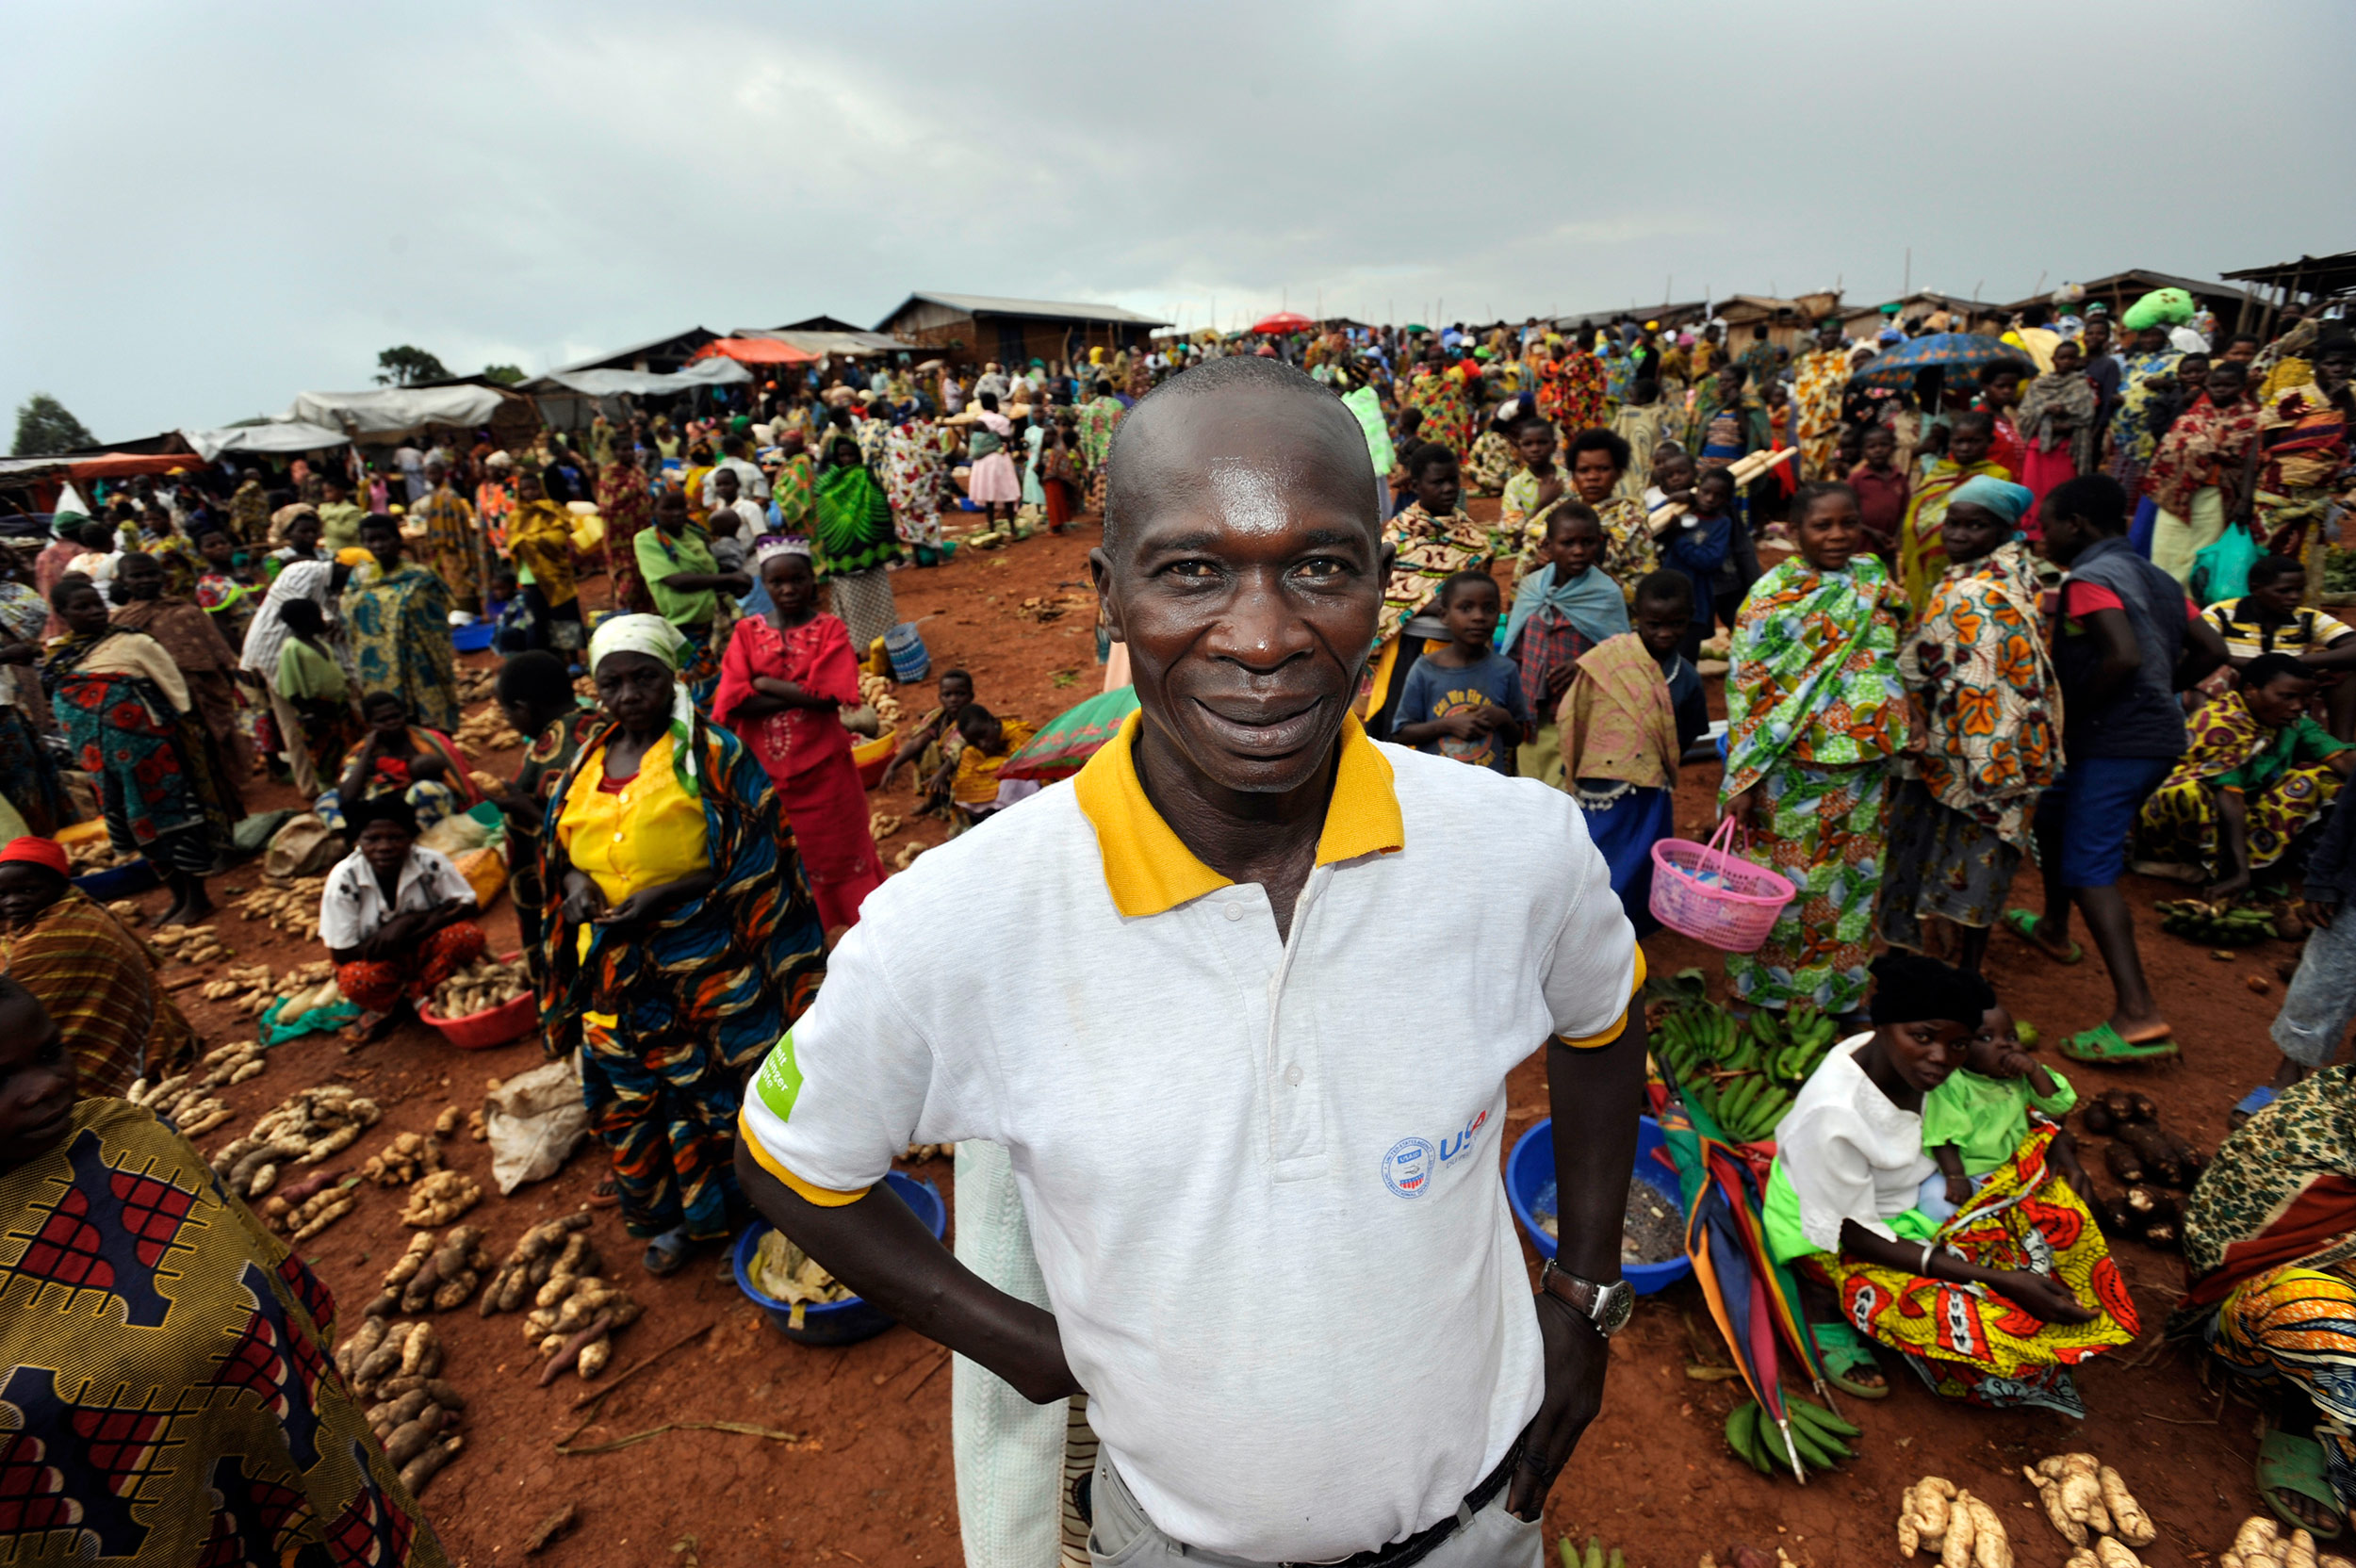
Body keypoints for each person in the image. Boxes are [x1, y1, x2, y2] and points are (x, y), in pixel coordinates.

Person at [735, 353, 1645, 1568]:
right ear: (1110, 596)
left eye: (1318, 565)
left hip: (1481, 1525)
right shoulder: (962, 921)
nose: (1262, 638)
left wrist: (1582, 1294)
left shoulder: (1515, 847)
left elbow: (1602, 1022)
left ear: (1383, 582)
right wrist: (1025, 1344)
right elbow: (791, 1157)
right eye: (1192, 571)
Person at [0, 980, 453, 1565]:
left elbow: (280, 1292)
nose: (44, 1087)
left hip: (291, 1489)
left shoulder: (131, 1140)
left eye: (48, 1054)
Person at [538, 613, 826, 1274]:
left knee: (721, 1091)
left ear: (674, 677)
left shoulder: (713, 754)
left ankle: (753, 1218)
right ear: (595, 688)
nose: (628, 693)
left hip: (708, 962)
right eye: (613, 681)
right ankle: (673, 1219)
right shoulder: (588, 758)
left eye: (645, 676)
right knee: (638, 1096)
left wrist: (668, 894)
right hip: (612, 966)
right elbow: (564, 848)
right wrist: (579, 884)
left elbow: (757, 854)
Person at [1763, 955, 2133, 1411]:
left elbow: (2010, 1101)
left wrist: (2062, 1150)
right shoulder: (1835, 1115)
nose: (1941, 1059)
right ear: (1882, 1024)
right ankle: (1822, 1304)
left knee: (2062, 1217)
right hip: (1843, 1226)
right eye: (1923, 1037)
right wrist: (1997, 1279)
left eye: (1960, 1045)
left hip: (1923, 1197)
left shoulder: (1912, 1062)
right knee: (1979, 1329)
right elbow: (1852, 1232)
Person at [2009, 474, 2228, 1063]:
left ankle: (2138, 1014)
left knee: (2091, 868)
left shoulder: (2088, 579)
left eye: (2046, 524)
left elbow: (2122, 657)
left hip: (2116, 741)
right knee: (2054, 818)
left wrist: (2069, 712)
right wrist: (2162, 691)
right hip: (2147, 735)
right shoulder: (2157, 578)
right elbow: (2212, 651)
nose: (2042, 535)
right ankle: (2054, 929)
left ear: (2076, 525)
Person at [1721, 482, 1908, 1019]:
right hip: (1792, 773)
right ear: (1795, 531)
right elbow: (1749, 688)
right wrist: (1743, 779)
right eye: (1821, 526)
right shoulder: (1773, 595)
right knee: (1780, 888)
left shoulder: (1872, 580)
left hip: (1863, 773)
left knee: (1850, 887)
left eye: (1847, 523)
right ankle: (1760, 995)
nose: (1836, 535)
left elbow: (1897, 633)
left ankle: (1837, 997)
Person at [1880, 477, 2059, 977]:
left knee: (1970, 856)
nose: (1956, 534)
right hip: (1966, 743)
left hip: (1984, 746)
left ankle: (1958, 970)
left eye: (1974, 525)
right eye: (1952, 523)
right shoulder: (1991, 577)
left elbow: (1967, 665)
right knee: (1942, 850)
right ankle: (1924, 960)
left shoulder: (1985, 588)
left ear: (2006, 530)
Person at [2170, 1069, 2356, 1533]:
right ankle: (2298, 1418)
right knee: (2316, 1312)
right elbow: (2215, 1248)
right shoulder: (2314, 1120)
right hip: (2246, 1309)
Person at [712, 538, 887, 929]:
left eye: (797, 580)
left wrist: (764, 683)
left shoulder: (830, 629)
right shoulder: (746, 632)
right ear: (765, 584)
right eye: (777, 582)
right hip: (765, 776)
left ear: (813, 581)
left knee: (840, 854)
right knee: (782, 854)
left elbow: (830, 697)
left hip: (825, 772)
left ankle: (860, 938)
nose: (788, 589)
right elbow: (733, 702)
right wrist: (799, 693)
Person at [44, 579, 236, 926]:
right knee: (140, 830)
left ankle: (198, 898)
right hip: (102, 766)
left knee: (173, 823)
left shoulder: (134, 642)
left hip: (151, 756)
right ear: (62, 614)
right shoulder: (60, 654)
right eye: (82, 607)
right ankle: (177, 897)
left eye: (96, 604)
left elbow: (178, 695)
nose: (94, 612)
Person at [1558, 572, 1709, 932]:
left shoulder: (1685, 677)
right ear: (1636, 616)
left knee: (1640, 859)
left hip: (1648, 791)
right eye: (1654, 623)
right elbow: (1575, 712)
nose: (1665, 632)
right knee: (1597, 854)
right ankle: (1587, 927)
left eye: (1676, 624)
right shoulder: (1607, 660)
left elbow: (1687, 732)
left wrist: (1654, 759)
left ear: (1690, 618)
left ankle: (1628, 929)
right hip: (1597, 786)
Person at [2135, 653, 2353, 897]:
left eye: (2304, 699)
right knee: (2187, 793)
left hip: (2242, 818)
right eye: (2287, 697)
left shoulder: (2292, 722)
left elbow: (2341, 758)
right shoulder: (2221, 723)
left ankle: (2253, 865)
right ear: (2251, 690)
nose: (2297, 707)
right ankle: (2222, 868)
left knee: (2320, 776)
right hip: (2189, 819)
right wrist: (2239, 872)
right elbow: (2229, 795)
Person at [0, 834, 194, 1094]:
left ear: (60, 886)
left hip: (120, 1046)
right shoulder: (74, 907)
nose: (13, 901)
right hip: (146, 1027)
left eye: (28, 890)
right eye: (3, 894)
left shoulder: (53, 936)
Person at [319, 794, 486, 1037]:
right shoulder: (344, 880)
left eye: (396, 837)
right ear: (358, 841)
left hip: (425, 948)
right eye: (373, 839)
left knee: (467, 936)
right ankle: (401, 1002)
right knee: (356, 979)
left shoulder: (430, 862)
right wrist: (412, 930)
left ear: (411, 838)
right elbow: (343, 953)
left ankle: (422, 993)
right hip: (381, 961)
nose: (385, 847)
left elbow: (468, 905)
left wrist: (410, 922)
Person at [1367, 445, 1492, 739]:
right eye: (1438, 482)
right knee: (1400, 731)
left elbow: (1482, 596)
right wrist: (1432, 606)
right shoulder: (1398, 536)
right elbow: (1383, 594)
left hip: (1460, 650)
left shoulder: (1472, 538)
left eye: (1453, 481)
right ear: (1415, 486)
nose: (1448, 489)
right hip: (1407, 651)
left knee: (1455, 731)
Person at [484, 650, 590, 993]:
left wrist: (523, 808)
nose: (509, 722)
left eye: (507, 712)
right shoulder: (593, 721)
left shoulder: (556, 753)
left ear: (524, 708)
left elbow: (577, 825)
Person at [1921, 1002, 2088, 1215]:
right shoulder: (1953, 1082)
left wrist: (2034, 1070)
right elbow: (1944, 1135)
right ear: (1959, 1048)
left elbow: (2057, 1105)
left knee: (2049, 1209)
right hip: (1965, 1171)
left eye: (2011, 1037)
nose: (2005, 1046)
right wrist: (1955, 1176)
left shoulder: (2021, 1079)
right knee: (1935, 1200)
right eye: (1986, 1038)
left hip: (2013, 1173)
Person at [1504, 504, 1628, 782]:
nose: (1578, 551)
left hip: (1581, 714)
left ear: (1600, 543)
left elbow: (1623, 655)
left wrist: (1584, 665)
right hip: (1532, 713)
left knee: (1567, 788)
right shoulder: (1532, 587)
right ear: (1548, 545)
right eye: (1568, 543)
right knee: (1530, 785)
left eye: (1587, 543)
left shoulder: (1606, 593)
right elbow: (1514, 647)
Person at [109, 549, 254, 787]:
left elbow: (220, 657)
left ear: (162, 576)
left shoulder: (186, 611)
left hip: (203, 699)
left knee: (213, 752)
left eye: (151, 574)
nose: (146, 580)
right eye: (137, 576)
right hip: (156, 703)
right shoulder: (121, 623)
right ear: (123, 582)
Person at [1391, 571, 1532, 775]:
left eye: (1489, 609)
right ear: (1444, 615)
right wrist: (1448, 725)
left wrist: (1503, 717)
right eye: (1466, 608)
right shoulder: (1425, 669)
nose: (1478, 617)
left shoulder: (1506, 670)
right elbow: (1401, 734)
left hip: (1489, 790)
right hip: (1439, 785)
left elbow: (1516, 738)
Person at [2205, 554, 2356, 738]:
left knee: (2344, 673)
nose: (2295, 597)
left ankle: (2342, 744)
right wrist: (2264, 667)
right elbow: (2199, 649)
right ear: (2256, 589)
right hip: (2240, 691)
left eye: (2300, 590)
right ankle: (2203, 732)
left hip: (2290, 694)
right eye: (2284, 591)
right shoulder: (2222, 613)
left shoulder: (2307, 618)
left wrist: (2295, 662)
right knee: (2213, 669)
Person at [2147, 357, 2266, 585]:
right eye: (2215, 385)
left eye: (2228, 385)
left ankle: (2194, 605)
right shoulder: (2193, 415)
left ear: (2242, 387)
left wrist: (2204, 447)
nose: (2220, 390)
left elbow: (2251, 458)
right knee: (2165, 548)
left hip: (2215, 494)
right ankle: (2163, 595)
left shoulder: (2252, 417)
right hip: (2178, 494)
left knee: (2201, 552)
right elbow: (2169, 448)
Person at [239, 557, 351, 794]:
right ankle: (310, 787)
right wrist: (326, 621)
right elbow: (292, 600)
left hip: (311, 658)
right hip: (273, 653)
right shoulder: (304, 570)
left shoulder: (336, 593)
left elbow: (337, 640)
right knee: (296, 724)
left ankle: (331, 781)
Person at [342, 514, 459, 733]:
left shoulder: (421, 577)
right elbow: (349, 618)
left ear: (397, 539)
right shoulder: (358, 579)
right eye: (370, 540)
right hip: (377, 670)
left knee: (427, 729)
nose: (377, 546)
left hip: (418, 666)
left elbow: (437, 628)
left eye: (383, 539)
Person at [635, 489, 748, 708]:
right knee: (698, 687)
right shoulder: (647, 540)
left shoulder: (693, 533)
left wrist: (731, 582)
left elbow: (713, 569)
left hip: (717, 620)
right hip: (685, 626)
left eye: (681, 507)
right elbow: (678, 581)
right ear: (653, 510)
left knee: (731, 680)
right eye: (668, 508)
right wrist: (727, 578)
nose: (677, 513)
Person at [318, 691, 483, 835]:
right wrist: (368, 751)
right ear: (370, 725)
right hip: (374, 812)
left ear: (404, 715)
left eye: (396, 716)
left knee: (427, 789)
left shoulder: (427, 741)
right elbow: (347, 795)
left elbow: (455, 779)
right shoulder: (362, 751)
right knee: (327, 799)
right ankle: (355, 842)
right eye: (382, 720)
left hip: (414, 810)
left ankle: (429, 841)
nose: (392, 723)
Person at [1896, 411, 2011, 612]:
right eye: (1959, 441)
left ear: (1990, 442)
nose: (1965, 448)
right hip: (1923, 560)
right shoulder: (1937, 472)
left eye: (1974, 441)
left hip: (1970, 560)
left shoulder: (1998, 477)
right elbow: (1914, 513)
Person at [813, 436, 904, 660]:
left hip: (869, 552)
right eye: (842, 456)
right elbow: (824, 520)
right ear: (835, 458)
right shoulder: (827, 484)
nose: (847, 460)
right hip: (842, 555)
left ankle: (884, 647)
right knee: (851, 608)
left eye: (851, 455)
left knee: (879, 603)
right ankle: (855, 650)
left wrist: (889, 545)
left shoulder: (867, 476)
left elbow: (880, 511)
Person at [271, 597, 363, 788]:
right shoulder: (292, 647)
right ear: (306, 620)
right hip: (318, 711)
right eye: (318, 616)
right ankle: (329, 795)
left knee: (349, 752)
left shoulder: (320, 643)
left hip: (338, 707)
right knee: (325, 758)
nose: (322, 620)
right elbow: (290, 686)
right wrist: (307, 712)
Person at [1659, 467, 1749, 659]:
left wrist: (1679, 538)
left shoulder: (1722, 523)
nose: (1709, 499)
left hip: (1695, 602)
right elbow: (1650, 521)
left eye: (1718, 495)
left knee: (1686, 657)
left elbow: (1709, 560)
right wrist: (1674, 498)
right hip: (1666, 596)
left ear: (1726, 500)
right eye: (1705, 492)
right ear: (1697, 490)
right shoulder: (1680, 511)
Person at [2015, 338, 2099, 535]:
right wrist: (2045, 410)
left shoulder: (2081, 386)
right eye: (2062, 357)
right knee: (2034, 494)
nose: (2067, 362)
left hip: (2067, 449)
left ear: (2078, 361)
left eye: (2071, 358)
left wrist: (2065, 419)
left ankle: (2060, 534)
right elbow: (2025, 414)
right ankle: (2032, 534)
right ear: (2053, 359)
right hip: (2038, 449)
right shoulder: (2039, 386)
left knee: (2062, 494)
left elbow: (2086, 415)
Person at [505, 469, 585, 659]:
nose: (530, 493)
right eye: (525, 490)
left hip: (557, 574)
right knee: (538, 620)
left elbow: (559, 537)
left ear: (541, 489)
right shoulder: (515, 516)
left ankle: (572, 658)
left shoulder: (554, 510)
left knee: (564, 615)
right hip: (530, 577)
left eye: (534, 488)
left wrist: (529, 541)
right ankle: (548, 661)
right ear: (520, 492)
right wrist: (534, 540)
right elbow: (513, 542)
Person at [881, 667, 975, 807]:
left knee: (964, 756)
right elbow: (918, 742)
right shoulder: (938, 717)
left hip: (970, 766)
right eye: (947, 695)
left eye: (960, 694)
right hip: (948, 764)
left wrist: (941, 774)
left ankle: (958, 806)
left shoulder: (974, 718)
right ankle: (934, 799)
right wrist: (892, 766)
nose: (954, 699)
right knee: (929, 748)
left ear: (971, 696)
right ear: (940, 698)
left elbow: (958, 751)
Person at [942, 703, 1039, 826]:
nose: (982, 744)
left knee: (1010, 778)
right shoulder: (973, 752)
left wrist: (996, 767)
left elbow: (1034, 766)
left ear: (994, 722)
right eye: (974, 742)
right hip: (995, 809)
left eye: (983, 735)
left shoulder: (1020, 735)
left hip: (1032, 798)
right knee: (968, 762)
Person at [597, 440, 657, 616]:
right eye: (623, 449)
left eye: (630, 449)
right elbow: (607, 505)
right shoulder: (609, 473)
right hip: (620, 540)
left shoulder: (637, 470)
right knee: (627, 580)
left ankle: (647, 615)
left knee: (645, 574)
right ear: (615, 452)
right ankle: (625, 616)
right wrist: (633, 487)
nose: (628, 453)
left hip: (642, 531)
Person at [416, 457, 483, 612]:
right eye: (428, 474)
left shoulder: (450, 497)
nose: (431, 477)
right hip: (442, 550)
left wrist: (456, 543)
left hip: (454, 548)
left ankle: (466, 611)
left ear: (442, 473)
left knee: (460, 583)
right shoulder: (435, 495)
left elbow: (458, 525)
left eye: (434, 473)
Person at [1790, 321, 1851, 480]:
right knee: (1806, 474)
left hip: (1830, 427)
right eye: (1827, 333)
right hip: (1806, 426)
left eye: (1835, 333)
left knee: (1830, 474)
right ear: (1819, 337)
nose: (1831, 337)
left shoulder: (1845, 360)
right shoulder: (1806, 361)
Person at [1847, 424, 1911, 563]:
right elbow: (1845, 512)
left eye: (1884, 445)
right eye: (1872, 447)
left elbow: (1905, 511)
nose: (1878, 450)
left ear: (1893, 448)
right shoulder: (1857, 479)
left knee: (1888, 580)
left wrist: (1897, 538)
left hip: (1888, 547)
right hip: (1861, 548)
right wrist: (1870, 532)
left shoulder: (1899, 478)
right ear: (1863, 451)